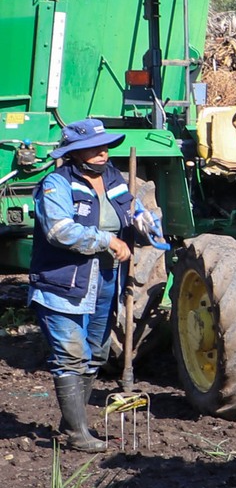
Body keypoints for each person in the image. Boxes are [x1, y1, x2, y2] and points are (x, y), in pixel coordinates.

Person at [29, 119, 153, 451]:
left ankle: (71, 424)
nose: (103, 152)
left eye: (106, 146)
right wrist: (107, 240)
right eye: (95, 147)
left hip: (106, 283)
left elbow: (132, 210)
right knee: (70, 356)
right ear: (74, 153)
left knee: (95, 354)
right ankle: (76, 433)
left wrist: (144, 221)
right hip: (63, 285)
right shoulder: (56, 184)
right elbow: (59, 230)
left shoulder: (114, 178)